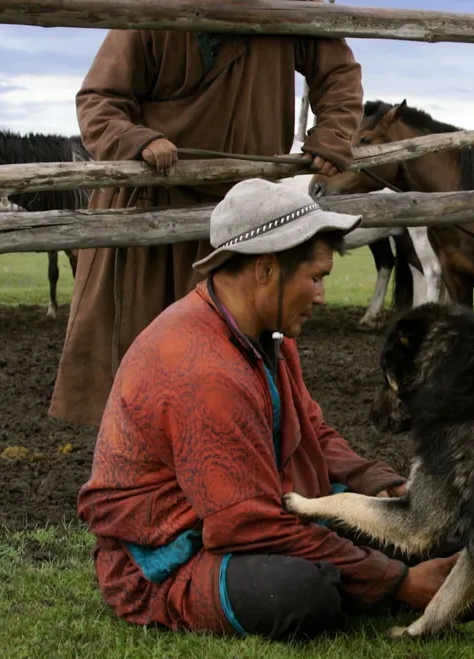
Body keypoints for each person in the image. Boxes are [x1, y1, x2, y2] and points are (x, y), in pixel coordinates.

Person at [76, 179, 474, 641]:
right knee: (303, 591)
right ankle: (459, 593)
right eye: (316, 277)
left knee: (440, 531)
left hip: (260, 511)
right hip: (171, 558)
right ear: (265, 270)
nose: (322, 295)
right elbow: (248, 525)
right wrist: (398, 582)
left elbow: (315, 436)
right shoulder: (203, 371)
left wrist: (386, 488)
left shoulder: (269, 338)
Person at [50, 10, 364, 427]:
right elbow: (99, 100)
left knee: (237, 365)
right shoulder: (154, 9)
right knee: (146, 363)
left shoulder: (286, 6)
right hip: (154, 209)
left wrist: (334, 133)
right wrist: (137, 140)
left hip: (244, 218)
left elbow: (338, 72)